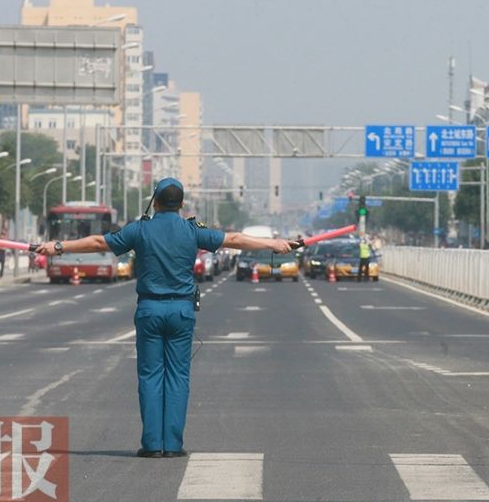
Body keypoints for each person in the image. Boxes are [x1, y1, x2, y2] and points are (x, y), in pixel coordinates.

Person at [36, 177, 295, 459]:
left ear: (154, 201)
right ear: (182, 204)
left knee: (150, 375)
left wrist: (59, 247)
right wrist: (274, 244)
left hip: (149, 309)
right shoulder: (192, 230)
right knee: (178, 376)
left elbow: (99, 241)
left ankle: (151, 445)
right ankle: (172, 445)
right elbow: (234, 239)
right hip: (182, 311)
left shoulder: (140, 230)